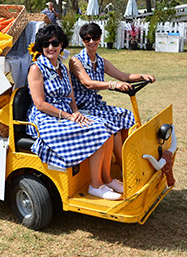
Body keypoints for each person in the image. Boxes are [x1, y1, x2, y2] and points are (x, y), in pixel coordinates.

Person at [26, 24, 123, 200]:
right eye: (45, 44)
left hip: (66, 114)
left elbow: (70, 95)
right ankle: (95, 185)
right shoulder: (36, 69)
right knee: (98, 131)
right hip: (46, 119)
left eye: (55, 43)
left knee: (108, 127)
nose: (50, 48)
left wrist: (76, 112)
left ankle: (107, 178)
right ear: (40, 47)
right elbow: (40, 104)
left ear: (61, 44)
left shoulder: (62, 67)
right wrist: (69, 116)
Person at [69, 22, 155, 169]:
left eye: (94, 37)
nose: (91, 42)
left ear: (100, 38)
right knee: (112, 127)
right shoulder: (75, 61)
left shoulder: (101, 61)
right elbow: (88, 83)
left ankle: (130, 157)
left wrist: (143, 76)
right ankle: (125, 167)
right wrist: (113, 85)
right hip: (81, 108)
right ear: (82, 41)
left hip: (96, 105)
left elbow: (124, 76)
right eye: (87, 39)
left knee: (128, 117)